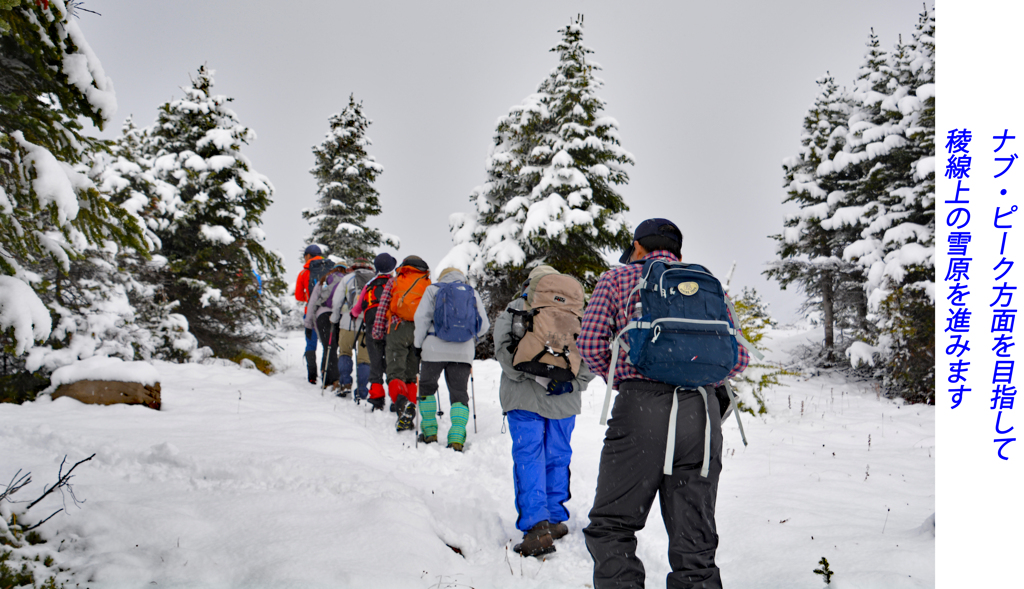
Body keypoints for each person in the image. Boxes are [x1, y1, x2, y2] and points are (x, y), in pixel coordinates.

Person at [577, 218, 749, 589]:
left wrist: (626, 378)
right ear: (678, 253)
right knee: (694, 536)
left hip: (642, 410)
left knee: (613, 525)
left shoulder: (617, 279)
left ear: (637, 247)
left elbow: (589, 344)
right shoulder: (708, 286)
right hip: (701, 414)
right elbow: (738, 359)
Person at [493, 265, 594, 557]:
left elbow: (503, 350)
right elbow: (592, 352)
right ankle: (555, 519)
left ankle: (537, 527)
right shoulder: (578, 310)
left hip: (523, 398)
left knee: (529, 456)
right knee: (557, 456)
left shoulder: (518, 306)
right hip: (563, 400)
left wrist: (527, 375)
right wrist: (573, 385)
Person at [412, 267, 490, 451]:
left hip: (433, 348)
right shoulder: (471, 292)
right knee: (459, 393)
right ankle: (456, 438)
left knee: (427, 388)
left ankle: (429, 431)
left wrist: (418, 344)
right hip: (462, 352)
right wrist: (466, 336)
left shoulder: (433, 289)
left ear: (442, 277)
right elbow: (484, 325)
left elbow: (421, 318)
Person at [371, 255, 431, 431]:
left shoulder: (395, 281)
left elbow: (383, 307)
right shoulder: (426, 283)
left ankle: (402, 405)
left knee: (395, 373)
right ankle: (408, 409)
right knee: (411, 375)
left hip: (397, 328)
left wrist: (377, 332)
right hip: (419, 331)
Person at [352, 253, 397, 411]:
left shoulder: (369, 284)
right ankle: (396, 398)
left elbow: (357, 309)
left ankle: (376, 397)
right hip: (391, 328)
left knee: (375, 363)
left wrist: (354, 314)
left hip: (372, 328)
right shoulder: (395, 283)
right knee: (392, 364)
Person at [331, 258, 375, 401]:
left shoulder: (347, 278)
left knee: (344, 352)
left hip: (348, 322)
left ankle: (345, 384)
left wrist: (335, 318)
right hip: (368, 324)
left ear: (353, 267)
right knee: (364, 359)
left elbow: (337, 301)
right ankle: (362, 390)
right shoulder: (375, 280)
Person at [304, 264, 347, 390]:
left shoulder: (323, 281)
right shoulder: (347, 281)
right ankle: (334, 378)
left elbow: (312, 303)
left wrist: (308, 324)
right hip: (338, 315)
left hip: (322, 316)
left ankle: (327, 377)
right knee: (334, 346)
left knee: (328, 347)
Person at [295, 244, 327, 384]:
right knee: (328, 344)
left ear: (308, 256)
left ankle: (312, 376)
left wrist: (309, 298)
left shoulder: (303, 273)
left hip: (310, 313)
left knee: (311, 344)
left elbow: (298, 296)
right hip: (327, 313)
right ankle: (327, 373)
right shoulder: (329, 270)